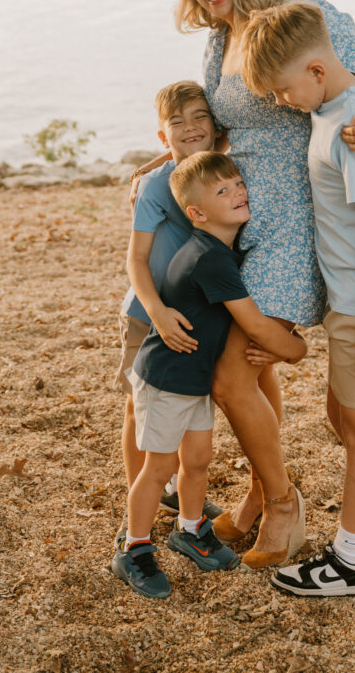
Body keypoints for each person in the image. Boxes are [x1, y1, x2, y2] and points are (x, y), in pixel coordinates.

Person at [132, 0, 355, 569]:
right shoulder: (214, 44)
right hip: (236, 218)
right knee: (251, 369)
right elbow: (220, 130)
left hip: (293, 220)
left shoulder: (300, 15)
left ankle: (283, 505)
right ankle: (261, 499)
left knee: (233, 377)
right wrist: (173, 162)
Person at [240, 0, 355, 597]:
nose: (279, 102)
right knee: (346, 418)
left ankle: (350, 564)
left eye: (281, 90)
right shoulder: (339, 103)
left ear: (318, 71)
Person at [112, 151, 307, 599]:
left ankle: (190, 528)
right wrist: (296, 351)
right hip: (167, 377)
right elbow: (256, 325)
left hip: (193, 376)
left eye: (238, 182)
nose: (239, 191)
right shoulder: (209, 259)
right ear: (196, 213)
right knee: (159, 466)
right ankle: (133, 547)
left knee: (198, 457)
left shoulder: (219, 249)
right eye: (224, 190)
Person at [116, 81, 223, 542]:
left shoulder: (221, 176)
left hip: (196, 315)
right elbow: (136, 259)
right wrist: (157, 310)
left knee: (184, 406)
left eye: (199, 117)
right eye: (176, 123)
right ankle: (137, 494)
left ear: (216, 126)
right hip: (148, 311)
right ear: (163, 136)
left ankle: (178, 491)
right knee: (138, 409)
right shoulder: (157, 187)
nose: (190, 128)